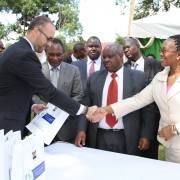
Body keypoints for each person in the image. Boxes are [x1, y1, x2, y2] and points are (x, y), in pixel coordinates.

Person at [0, 16, 96, 135]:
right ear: (36, 31)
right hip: (7, 127)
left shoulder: (18, 49)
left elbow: (15, 90)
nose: (49, 43)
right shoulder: (24, 54)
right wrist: (85, 110)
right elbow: (49, 92)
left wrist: (33, 105)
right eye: (49, 38)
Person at [95, 34, 180, 163]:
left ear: (178, 54)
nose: (160, 53)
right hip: (171, 146)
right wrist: (107, 110)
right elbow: (138, 100)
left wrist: (175, 128)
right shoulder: (160, 77)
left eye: (164, 51)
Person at [75, 43, 156, 156]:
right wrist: (81, 130)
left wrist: (146, 135)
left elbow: (148, 109)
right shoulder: (94, 78)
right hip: (99, 136)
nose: (106, 60)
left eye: (110, 56)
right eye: (104, 57)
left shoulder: (138, 77)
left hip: (128, 137)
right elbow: (85, 105)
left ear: (120, 56)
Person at [33, 38, 83, 143]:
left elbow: (78, 94)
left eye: (59, 55)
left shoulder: (74, 70)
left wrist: (63, 110)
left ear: (63, 53)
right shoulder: (37, 70)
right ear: (46, 53)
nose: (55, 58)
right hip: (42, 124)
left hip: (66, 126)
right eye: (51, 54)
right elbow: (33, 94)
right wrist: (48, 109)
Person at [123, 37, 163, 159]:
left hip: (152, 119)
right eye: (124, 48)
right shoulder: (123, 68)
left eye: (128, 47)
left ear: (138, 46)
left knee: (149, 157)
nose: (126, 50)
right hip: (130, 119)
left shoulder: (156, 65)